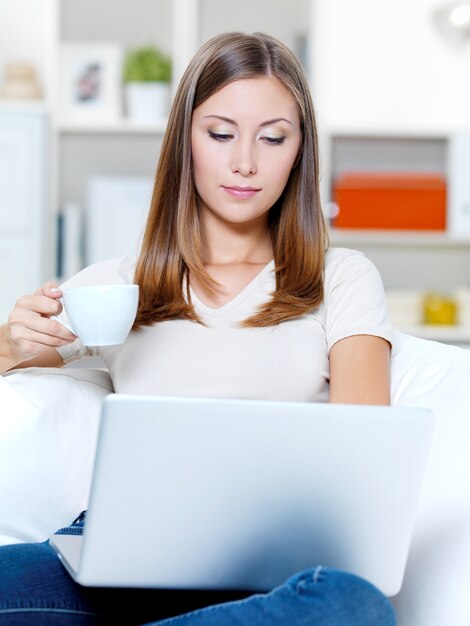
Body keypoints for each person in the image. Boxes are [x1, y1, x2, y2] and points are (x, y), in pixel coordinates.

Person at [0, 31, 396, 626]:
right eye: (220, 133)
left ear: (299, 151)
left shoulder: (340, 277)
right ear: (185, 140)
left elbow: (368, 458)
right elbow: (20, 352)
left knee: (353, 604)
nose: (245, 162)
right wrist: (10, 341)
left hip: (269, 572)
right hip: (119, 555)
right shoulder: (119, 283)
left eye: (273, 138)